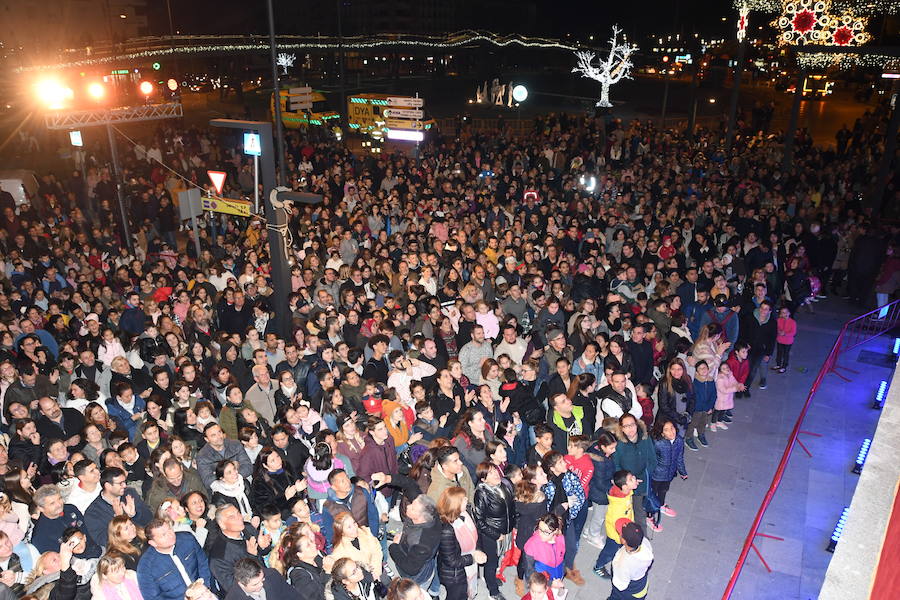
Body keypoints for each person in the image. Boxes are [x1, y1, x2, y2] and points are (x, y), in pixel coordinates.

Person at [136, 518, 213, 600]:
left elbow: (203, 564)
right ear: (153, 543)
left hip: (205, 593)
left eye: (169, 530)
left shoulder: (187, 539)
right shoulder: (146, 566)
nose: (170, 535)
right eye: (163, 535)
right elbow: (153, 597)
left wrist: (204, 588)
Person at [472, 462, 516, 600]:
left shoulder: (504, 485)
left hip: (505, 531)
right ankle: (493, 591)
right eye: (490, 473)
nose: (496, 473)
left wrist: (514, 525)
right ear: (483, 479)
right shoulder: (481, 494)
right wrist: (496, 535)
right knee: (491, 562)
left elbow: (512, 508)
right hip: (491, 534)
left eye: (495, 470)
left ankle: (489, 577)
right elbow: (479, 521)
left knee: (498, 558)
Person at [436, 486, 486, 600]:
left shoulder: (466, 514)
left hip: (465, 566)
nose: (467, 500)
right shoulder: (446, 530)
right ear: (455, 504)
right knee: (457, 596)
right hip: (454, 575)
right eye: (463, 499)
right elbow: (451, 561)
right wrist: (473, 558)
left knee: (464, 594)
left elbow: (475, 535)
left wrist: (478, 550)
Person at [84, 467, 153, 547]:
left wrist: (135, 515)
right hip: (123, 549)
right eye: (120, 483)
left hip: (145, 539)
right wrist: (118, 521)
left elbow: (149, 519)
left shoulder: (129, 493)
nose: (124, 485)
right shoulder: (93, 512)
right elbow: (103, 541)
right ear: (108, 486)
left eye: (124, 481)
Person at [389, 493, 442, 596]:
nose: (408, 506)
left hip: (417, 576)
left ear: (420, 517)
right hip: (422, 559)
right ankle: (434, 592)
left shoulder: (421, 543)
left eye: (412, 508)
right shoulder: (432, 516)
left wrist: (394, 546)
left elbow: (411, 568)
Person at [592, 470, 639, 579]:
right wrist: (623, 539)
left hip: (625, 530)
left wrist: (633, 484)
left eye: (633, 477)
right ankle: (599, 566)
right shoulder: (618, 508)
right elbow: (618, 526)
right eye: (631, 479)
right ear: (624, 487)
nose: (635, 479)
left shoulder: (625, 493)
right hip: (616, 536)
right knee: (609, 551)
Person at [612, 415, 656, 528]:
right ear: (621, 428)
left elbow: (652, 460)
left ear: (636, 424)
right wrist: (626, 481)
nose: (630, 428)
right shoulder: (619, 445)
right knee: (624, 511)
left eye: (632, 425)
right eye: (626, 426)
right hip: (625, 484)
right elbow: (616, 465)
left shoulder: (645, 439)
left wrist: (645, 475)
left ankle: (641, 539)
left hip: (641, 481)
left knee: (639, 511)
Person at [649, 419, 687, 530]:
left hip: (669, 474)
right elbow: (651, 460)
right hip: (656, 475)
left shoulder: (679, 441)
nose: (671, 432)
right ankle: (649, 516)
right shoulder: (657, 443)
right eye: (666, 430)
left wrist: (682, 472)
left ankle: (661, 505)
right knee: (652, 495)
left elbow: (679, 457)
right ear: (662, 433)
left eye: (672, 428)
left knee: (663, 490)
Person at [609, 521, 653, 600]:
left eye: (621, 534)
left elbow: (620, 585)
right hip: (641, 586)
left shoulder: (623, 563)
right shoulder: (645, 544)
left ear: (624, 541)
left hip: (629, 593)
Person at [225, 557, 301, 600]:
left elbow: (293, 596)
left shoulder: (272, 575)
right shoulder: (233, 598)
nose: (261, 584)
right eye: (255, 584)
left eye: (262, 579)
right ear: (241, 584)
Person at [683, 360, 715, 454]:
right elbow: (693, 397)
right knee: (692, 424)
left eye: (705, 367)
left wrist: (710, 407)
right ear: (697, 372)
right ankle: (688, 438)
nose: (703, 370)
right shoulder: (695, 383)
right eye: (700, 369)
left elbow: (714, 395)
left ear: (708, 369)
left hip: (706, 409)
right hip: (696, 409)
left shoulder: (711, 381)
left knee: (703, 423)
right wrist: (694, 409)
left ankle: (701, 434)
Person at [774, 306, 797, 373]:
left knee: (786, 354)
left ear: (789, 313)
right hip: (780, 340)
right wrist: (779, 332)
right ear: (780, 314)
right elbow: (776, 328)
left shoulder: (793, 322)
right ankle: (778, 364)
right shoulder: (778, 320)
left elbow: (793, 332)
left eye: (786, 312)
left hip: (788, 341)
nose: (785, 314)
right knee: (779, 352)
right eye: (783, 313)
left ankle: (784, 366)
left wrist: (785, 334)